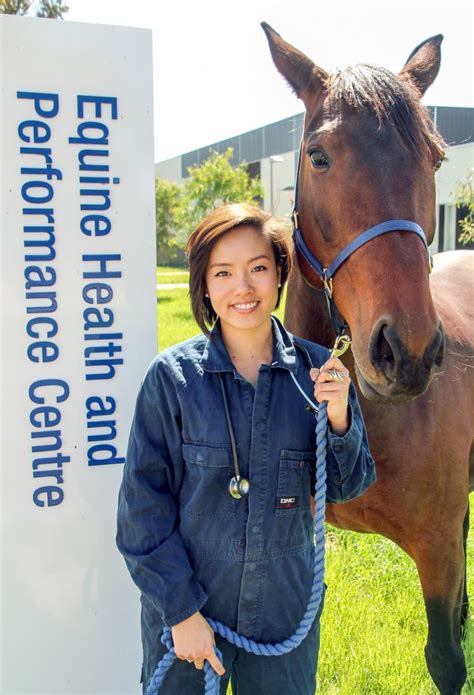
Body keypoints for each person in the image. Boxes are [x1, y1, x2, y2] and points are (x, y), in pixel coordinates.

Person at [116, 203, 376, 695]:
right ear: (205, 284)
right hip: (189, 617)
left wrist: (340, 417)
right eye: (224, 272)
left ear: (279, 273)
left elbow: (349, 487)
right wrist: (182, 612)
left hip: (283, 615)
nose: (243, 288)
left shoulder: (319, 373)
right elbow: (140, 515)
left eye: (258, 268)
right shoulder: (171, 381)